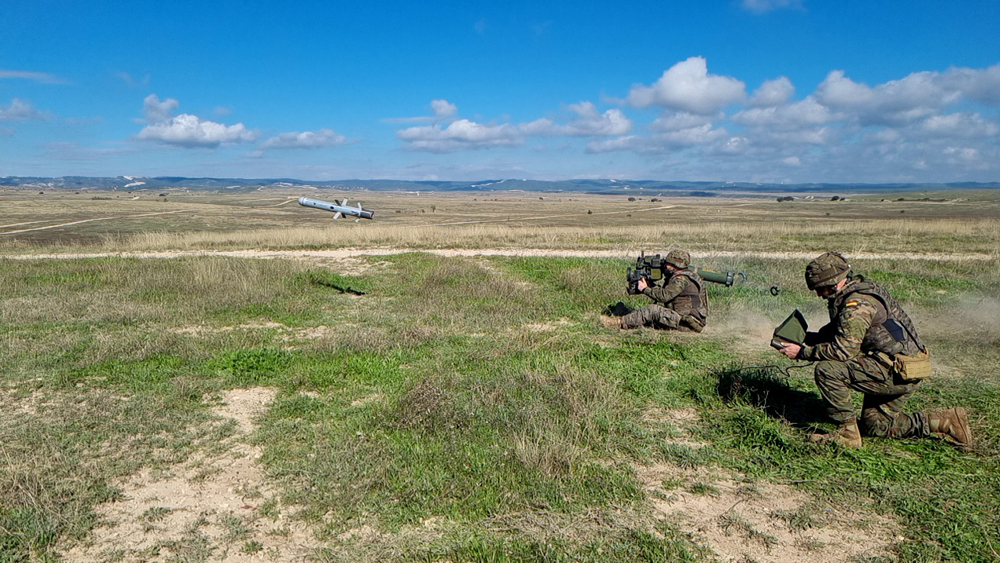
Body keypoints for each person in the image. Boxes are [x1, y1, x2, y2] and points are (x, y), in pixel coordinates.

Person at [776, 251, 972, 450]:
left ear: (834, 282)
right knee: (877, 427)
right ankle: (945, 421)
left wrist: (801, 353)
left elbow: (843, 351)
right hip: (904, 367)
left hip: (895, 371)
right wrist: (806, 338)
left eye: (821, 289)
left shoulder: (857, 305)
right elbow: (842, 333)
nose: (819, 294)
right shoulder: (860, 291)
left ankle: (847, 434)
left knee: (828, 370)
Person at [616, 249, 708, 332]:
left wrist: (645, 289)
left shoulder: (681, 279)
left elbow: (664, 296)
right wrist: (651, 286)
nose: (665, 265)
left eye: (667, 263)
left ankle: (618, 323)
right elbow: (667, 292)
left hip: (687, 323)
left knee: (653, 310)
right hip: (686, 319)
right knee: (650, 319)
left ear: (675, 265)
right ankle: (625, 316)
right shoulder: (684, 275)